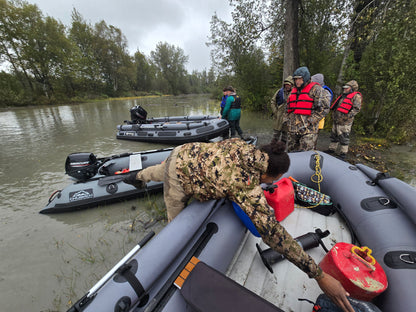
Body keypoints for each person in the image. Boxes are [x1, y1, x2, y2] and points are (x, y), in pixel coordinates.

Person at [123, 138, 354, 312]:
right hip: (179, 175)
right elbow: (274, 234)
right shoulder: (245, 186)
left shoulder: (242, 145)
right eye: (273, 180)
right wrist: (319, 275)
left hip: (183, 150)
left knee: (156, 171)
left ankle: (136, 178)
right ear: (268, 176)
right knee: (176, 226)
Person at [285, 67, 330, 152]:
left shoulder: (317, 90)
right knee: (291, 153)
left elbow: (325, 108)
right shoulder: (293, 91)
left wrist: (311, 120)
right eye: (295, 79)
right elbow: (287, 108)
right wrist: (286, 120)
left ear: (305, 78)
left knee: (304, 155)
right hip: (293, 130)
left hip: (308, 130)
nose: (297, 81)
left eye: (300, 79)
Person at [326, 80, 362, 160]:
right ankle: (332, 149)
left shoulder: (356, 96)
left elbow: (356, 109)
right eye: (344, 87)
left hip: (345, 121)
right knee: (334, 135)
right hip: (337, 119)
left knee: (344, 137)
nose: (344, 89)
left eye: (347, 88)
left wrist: (348, 117)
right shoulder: (343, 96)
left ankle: (343, 153)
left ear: (352, 88)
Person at [311, 73, 333, 148]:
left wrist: (315, 117)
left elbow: (325, 108)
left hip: (319, 117)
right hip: (311, 116)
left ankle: (313, 149)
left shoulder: (325, 92)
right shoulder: (314, 89)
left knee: (315, 134)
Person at [270, 76, 294, 143]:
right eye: (286, 84)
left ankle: (281, 151)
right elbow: (272, 101)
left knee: (285, 137)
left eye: (288, 85)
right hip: (279, 116)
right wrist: (275, 111)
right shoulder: (279, 92)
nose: (287, 86)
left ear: (292, 85)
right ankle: (272, 150)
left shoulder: (294, 93)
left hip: (288, 118)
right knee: (275, 135)